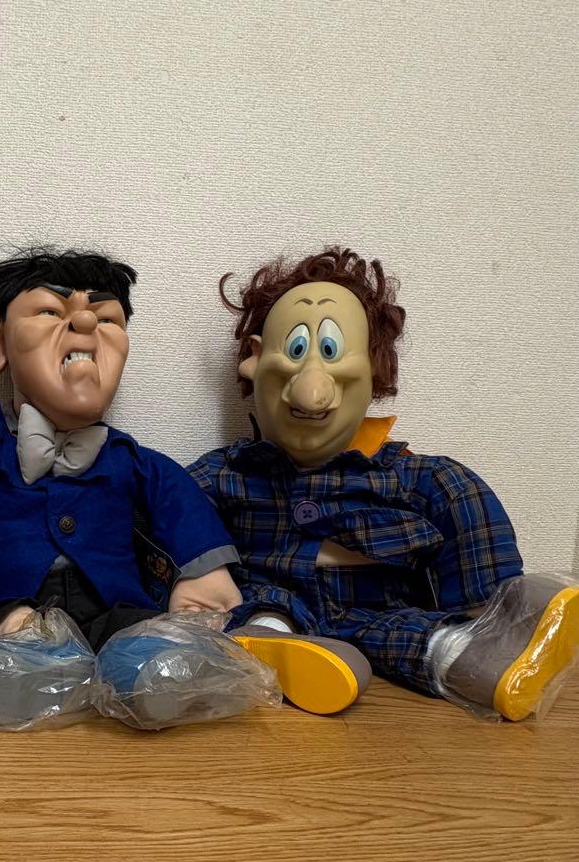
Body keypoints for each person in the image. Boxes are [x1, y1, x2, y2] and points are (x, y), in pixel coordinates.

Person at [0, 247, 366, 730]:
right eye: (51, 312)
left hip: (112, 608)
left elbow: (179, 502)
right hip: (6, 609)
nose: (83, 324)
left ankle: (150, 675)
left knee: (140, 639)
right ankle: (12, 671)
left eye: (105, 318)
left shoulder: (133, 461)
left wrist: (201, 570)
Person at [188, 246, 579, 720]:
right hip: (267, 607)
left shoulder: (420, 478)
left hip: (379, 619)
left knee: (417, 634)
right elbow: (165, 529)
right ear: (254, 358)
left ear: (374, 368)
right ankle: (268, 643)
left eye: (330, 351)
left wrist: (492, 612)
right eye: (295, 350)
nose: (312, 384)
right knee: (262, 610)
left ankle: (469, 654)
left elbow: (471, 528)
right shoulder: (224, 475)